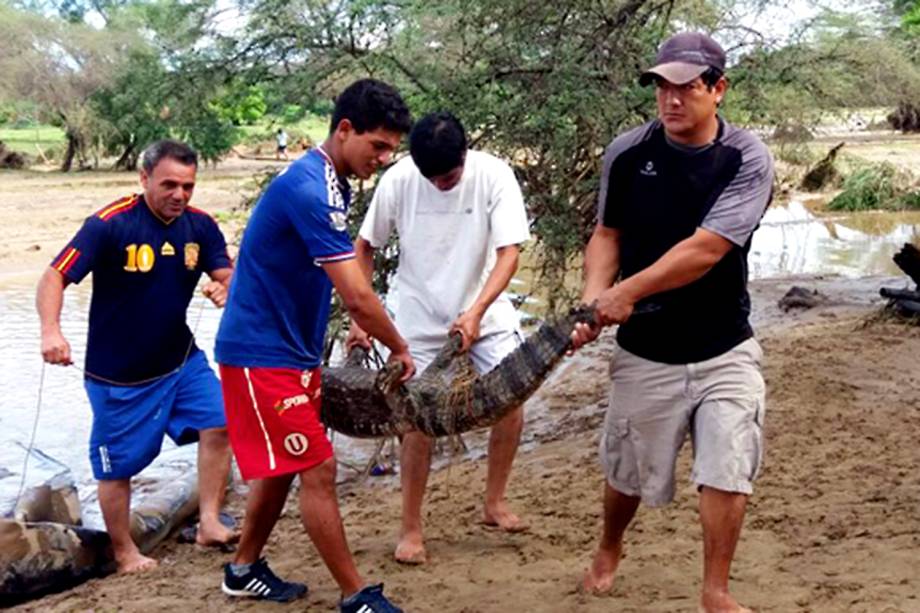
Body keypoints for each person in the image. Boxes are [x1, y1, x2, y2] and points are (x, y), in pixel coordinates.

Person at [570, 33, 774, 613]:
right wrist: (592, 302)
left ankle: (715, 589)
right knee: (626, 471)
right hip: (646, 349)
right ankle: (610, 547)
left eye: (686, 86)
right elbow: (607, 235)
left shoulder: (746, 157)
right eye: (662, 86)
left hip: (724, 344)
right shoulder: (628, 153)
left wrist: (624, 292)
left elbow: (705, 249)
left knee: (728, 465)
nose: (671, 99)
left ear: (719, 88)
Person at [215, 79, 415, 612]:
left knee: (286, 464)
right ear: (344, 129)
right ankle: (355, 596)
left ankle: (243, 568)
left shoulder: (334, 181)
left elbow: (330, 274)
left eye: (392, 149)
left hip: (291, 352)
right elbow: (356, 293)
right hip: (261, 355)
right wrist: (398, 346)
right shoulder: (311, 188)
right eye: (377, 146)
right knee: (318, 467)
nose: (384, 158)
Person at [36, 139, 237, 574]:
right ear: (144, 178)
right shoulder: (109, 224)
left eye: (188, 186)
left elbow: (230, 274)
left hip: (181, 360)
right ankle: (125, 552)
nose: (179, 195)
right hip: (118, 376)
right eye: (169, 185)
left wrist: (228, 286)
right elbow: (54, 275)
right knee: (116, 468)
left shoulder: (200, 227)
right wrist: (51, 330)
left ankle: (208, 522)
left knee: (220, 422)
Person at [348, 111, 532, 565]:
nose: (440, 185)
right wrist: (361, 316)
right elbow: (365, 245)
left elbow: (510, 253)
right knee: (416, 419)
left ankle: (494, 501)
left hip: (483, 309)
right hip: (415, 315)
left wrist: (476, 312)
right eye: (432, 178)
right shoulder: (400, 179)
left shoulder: (495, 175)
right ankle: (411, 528)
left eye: (448, 177)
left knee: (511, 402)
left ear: (465, 156)